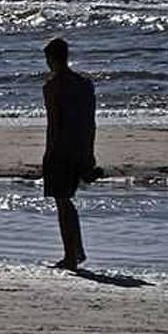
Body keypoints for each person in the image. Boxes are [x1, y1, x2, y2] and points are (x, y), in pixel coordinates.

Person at [42, 37, 102, 270]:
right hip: (81, 145)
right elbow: (90, 120)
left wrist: (50, 153)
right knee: (67, 201)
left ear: (51, 59)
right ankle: (76, 251)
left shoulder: (52, 87)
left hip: (60, 149)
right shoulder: (84, 84)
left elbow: (54, 123)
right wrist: (89, 152)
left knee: (62, 202)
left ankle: (71, 255)